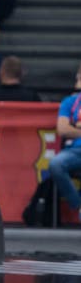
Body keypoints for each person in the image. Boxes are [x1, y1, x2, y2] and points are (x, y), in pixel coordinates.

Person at [48, 63, 81, 221]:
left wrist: (74, 129)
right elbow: (62, 129)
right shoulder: (70, 102)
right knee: (56, 164)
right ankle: (78, 206)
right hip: (74, 152)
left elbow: (69, 129)